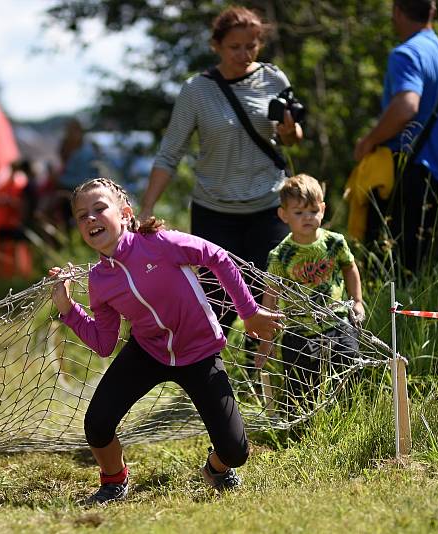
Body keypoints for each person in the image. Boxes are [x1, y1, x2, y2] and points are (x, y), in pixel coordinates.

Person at [49, 177, 284, 505]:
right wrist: (68, 309)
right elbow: (104, 343)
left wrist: (249, 312)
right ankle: (114, 481)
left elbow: (217, 256)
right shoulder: (99, 281)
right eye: (82, 215)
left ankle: (215, 469)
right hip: (148, 351)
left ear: (125, 214)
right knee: (97, 424)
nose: (90, 218)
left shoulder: (159, 243)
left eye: (99, 209)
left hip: (200, 352)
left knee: (235, 451)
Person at [139, 5, 303, 366]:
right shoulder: (197, 90)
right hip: (215, 212)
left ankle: (259, 381)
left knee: (267, 295)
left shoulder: (274, 79)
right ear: (216, 45)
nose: (244, 55)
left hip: (267, 207)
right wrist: (148, 207)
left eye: (252, 46)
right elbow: (170, 154)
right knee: (217, 300)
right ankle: (204, 375)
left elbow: (290, 138)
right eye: (235, 47)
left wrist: (291, 130)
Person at [353, 0, 438, 276]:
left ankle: (384, 320)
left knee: (383, 268)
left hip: (403, 173)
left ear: (396, 11)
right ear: (433, 12)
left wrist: (369, 141)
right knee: (416, 267)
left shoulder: (406, 53)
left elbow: (407, 106)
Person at [257, 175, 364, 414]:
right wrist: (267, 338)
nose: (307, 217)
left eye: (313, 210)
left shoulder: (334, 242)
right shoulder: (281, 255)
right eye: (298, 212)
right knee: (300, 385)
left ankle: (348, 416)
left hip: (338, 321)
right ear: (283, 215)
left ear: (323, 210)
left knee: (351, 365)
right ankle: (300, 429)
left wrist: (357, 300)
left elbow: (349, 267)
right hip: (299, 330)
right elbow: (271, 294)